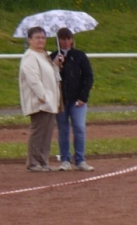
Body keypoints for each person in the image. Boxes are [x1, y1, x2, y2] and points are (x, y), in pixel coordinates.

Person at [49, 27, 95, 171]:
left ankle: (80, 160)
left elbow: (88, 77)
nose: (66, 42)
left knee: (79, 128)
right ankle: (65, 160)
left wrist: (83, 97)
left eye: (68, 39)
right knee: (63, 130)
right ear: (58, 41)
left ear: (72, 40)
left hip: (77, 100)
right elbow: (49, 78)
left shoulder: (79, 55)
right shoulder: (53, 57)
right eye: (63, 39)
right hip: (61, 100)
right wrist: (56, 66)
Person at [18, 26, 60, 172]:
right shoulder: (30, 56)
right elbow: (33, 79)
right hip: (40, 101)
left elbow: (52, 75)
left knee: (47, 134)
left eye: (43, 37)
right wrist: (42, 96)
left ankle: (43, 162)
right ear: (30, 40)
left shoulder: (45, 55)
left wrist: (56, 65)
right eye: (37, 38)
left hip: (50, 101)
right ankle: (33, 163)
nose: (41, 40)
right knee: (38, 132)